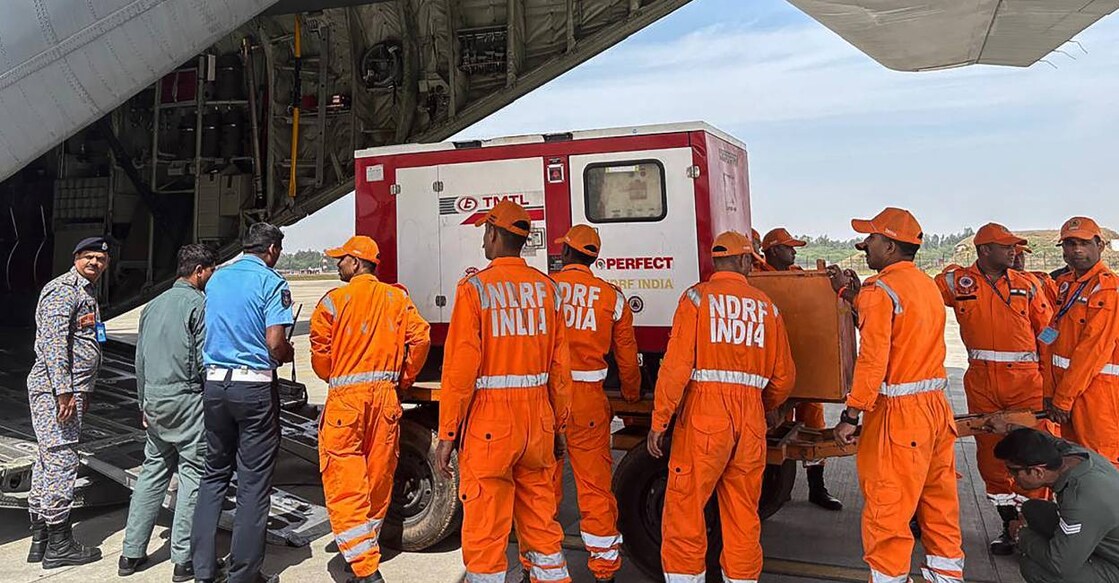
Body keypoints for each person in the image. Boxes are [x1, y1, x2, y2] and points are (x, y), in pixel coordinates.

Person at [434, 200, 573, 583]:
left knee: (486, 529)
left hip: (491, 425)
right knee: (542, 524)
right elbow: (561, 370)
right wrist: (558, 426)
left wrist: (447, 433)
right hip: (538, 423)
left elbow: (460, 370)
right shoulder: (549, 290)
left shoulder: (475, 288)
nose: (483, 239)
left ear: (494, 234)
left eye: (484, 232)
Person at [647, 230, 796, 583]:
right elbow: (784, 377)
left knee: (685, 509)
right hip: (750, 421)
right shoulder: (767, 308)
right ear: (744, 261)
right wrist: (766, 407)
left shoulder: (696, 300)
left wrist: (660, 420)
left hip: (704, 416)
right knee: (743, 513)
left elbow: (675, 368)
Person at [828, 207, 965, 583]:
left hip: (898, 418)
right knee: (939, 508)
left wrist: (851, 414)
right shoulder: (924, 286)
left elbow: (873, 360)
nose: (863, 246)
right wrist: (850, 295)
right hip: (935, 412)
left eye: (870, 239)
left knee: (887, 512)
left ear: (889, 245)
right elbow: (901, 331)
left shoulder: (880, 289)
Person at [310, 235, 431, 583]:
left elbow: (321, 360)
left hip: (347, 401)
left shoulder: (334, 302)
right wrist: (404, 378)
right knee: (378, 478)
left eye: (342, 259)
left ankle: (364, 567)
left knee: (345, 482)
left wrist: (337, 372)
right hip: (386, 401)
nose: (337, 264)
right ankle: (365, 546)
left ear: (357, 262)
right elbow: (420, 338)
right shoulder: (397, 298)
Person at [934, 223, 1054, 554]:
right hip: (981, 382)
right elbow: (919, 292)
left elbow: (1048, 333)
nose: (1013, 252)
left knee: (1033, 453)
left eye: (1014, 247)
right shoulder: (958, 282)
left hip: (1027, 383)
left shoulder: (1027, 285)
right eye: (1006, 247)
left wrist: (1050, 378)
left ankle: (1034, 527)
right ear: (985, 250)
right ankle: (1008, 523)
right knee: (990, 455)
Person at [192, 223, 295, 583]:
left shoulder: (217, 278)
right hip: (252, 389)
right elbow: (274, 343)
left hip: (215, 384)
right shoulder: (272, 282)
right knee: (253, 484)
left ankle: (202, 570)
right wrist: (287, 352)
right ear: (272, 250)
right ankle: (244, 574)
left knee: (213, 475)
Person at [545, 224, 640, 582]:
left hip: (549, 399)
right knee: (595, 487)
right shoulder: (610, 297)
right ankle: (604, 570)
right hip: (589, 403)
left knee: (543, 487)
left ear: (567, 253)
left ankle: (537, 568)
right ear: (593, 258)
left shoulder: (546, 289)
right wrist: (631, 393)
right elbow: (627, 357)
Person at [120, 244, 218, 580]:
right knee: (192, 473)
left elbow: (140, 360)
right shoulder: (198, 304)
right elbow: (205, 360)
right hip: (186, 399)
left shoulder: (153, 305)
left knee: (153, 472)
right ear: (200, 271)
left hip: (154, 400)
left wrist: (143, 403)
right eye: (210, 271)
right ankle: (183, 558)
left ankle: (130, 553)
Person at [26, 236, 110, 568]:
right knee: (61, 462)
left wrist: (83, 390)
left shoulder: (85, 292)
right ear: (76, 258)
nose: (95, 263)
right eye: (88, 257)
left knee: (47, 460)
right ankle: (59, 544)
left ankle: (40, 539)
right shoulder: (64, 290)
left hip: (69, 390)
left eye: (100, 259)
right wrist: (65, 391)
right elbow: (54, 344)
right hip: (55, 391)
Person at [761, 227, 842, 512]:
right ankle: (770, 485)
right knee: (772, 427)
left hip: (802, 368)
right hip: (775, 373)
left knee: (814, 425)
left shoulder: (797, 275)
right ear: (772, 250)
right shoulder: (757, 279)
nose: (794, 251)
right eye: (788, 247)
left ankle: (817, 489)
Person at [1040, 216, 1119, 468]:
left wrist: (1061, 399)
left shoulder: (1106, 289)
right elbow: (1052, 339)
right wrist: (1050, 393)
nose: (1076, 250)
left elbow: (1092, 350)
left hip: (1097, 395)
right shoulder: (1068, 286)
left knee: (1100, 465)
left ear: (1100, 245)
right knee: (1075, 462)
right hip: (1069, 393)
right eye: (1070, 244)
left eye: (1083, 243)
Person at [993, 427, 1119, 582]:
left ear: (1038, 472)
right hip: (1105, 536)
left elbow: (1059, 564)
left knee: (1035, 568)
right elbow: (1046, 439)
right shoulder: (1072, 453)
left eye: (1013, 471)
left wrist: (1021, 535)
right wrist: (1009, 427)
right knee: (1032, 510)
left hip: (1114, 565)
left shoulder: (1080, 501)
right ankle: (1078, 549)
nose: (1011, 477)